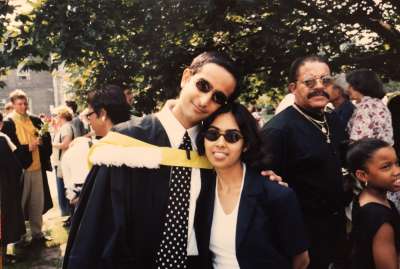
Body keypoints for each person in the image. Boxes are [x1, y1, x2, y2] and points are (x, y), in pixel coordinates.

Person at [63, 51, 241, 269]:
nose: (205, 101)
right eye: (203, 85)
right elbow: (93, 231)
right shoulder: (124, 144)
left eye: (218, 97)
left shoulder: (214, 153)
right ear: (186, 77)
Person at [195, 103, 309, 269]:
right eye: (212, 134)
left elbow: (301, 260)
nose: (220, 143)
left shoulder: (276, 195)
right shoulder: (201, 191)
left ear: (246, 144)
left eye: (232, 136)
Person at [261, 56, 348, 268]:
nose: (320, 87)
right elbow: (267, 193)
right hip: (303, 237)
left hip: (337, 227)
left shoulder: (333, 119)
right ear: (293, 87)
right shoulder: (277, 131)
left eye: (325, 80)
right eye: (309, 82)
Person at [62, 85, 131, 221]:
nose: (89, 121)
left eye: (89, 115)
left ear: (103, 114)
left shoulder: (103, 154)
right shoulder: (137, 144)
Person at [1, 89, 53, 246]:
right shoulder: (8, 123)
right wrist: (26, 148)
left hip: (37, 167)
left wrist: (42, 142)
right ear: (12, 104)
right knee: (20, 203)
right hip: (20, 169)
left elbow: (46, 139)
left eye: (25, 103)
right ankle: (20, 236)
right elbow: (7, 148)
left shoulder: (35, 120)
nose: (23, 106)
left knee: (37, 202)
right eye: (19, 104)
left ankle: (37, 233)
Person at [346, 138, 400, 269]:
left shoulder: (364, 198)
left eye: (397, 163)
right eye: (386, 167)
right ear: (363, 175)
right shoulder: (378, 217)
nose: (397, 171)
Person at [0, 112, 25, 264]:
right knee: (3, 222)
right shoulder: (1, 141)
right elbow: (14, 167)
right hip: (4, 187)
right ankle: (2, 257)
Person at [346, 69, 393, 145]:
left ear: (359, 85)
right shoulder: (377, 104)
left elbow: (359, 142)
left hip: (369, 155)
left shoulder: (366, 107)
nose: (347, 89)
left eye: (350, 85)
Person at [51, 105, 74, 217]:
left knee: (64, 190)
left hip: (63, 164)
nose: (54, 118)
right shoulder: (65, 126)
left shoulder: (66, 127)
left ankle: (68, 214)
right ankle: (68, 214)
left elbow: (65, 144)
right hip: (62, 163)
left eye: (56, 115)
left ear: (61, 116)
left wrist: (52, 144)